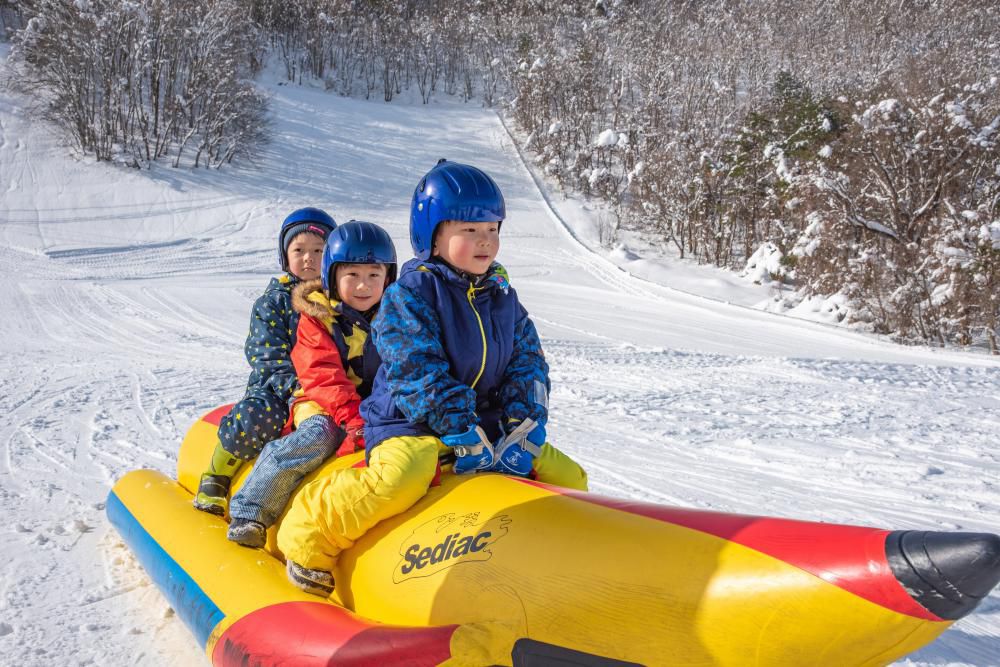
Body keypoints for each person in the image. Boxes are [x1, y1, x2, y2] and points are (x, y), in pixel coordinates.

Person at [277, 160, 587, 596]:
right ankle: (310, 531)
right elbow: (414, 368)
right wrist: (457, 426)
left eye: (493, 230)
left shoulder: (503, 297)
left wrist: (524, 426)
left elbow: (529, 364)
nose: (486, 242)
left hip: (485, 423)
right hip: (412, 420)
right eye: (470, 231)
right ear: (433, 236)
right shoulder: (411, 294)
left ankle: (568, 565)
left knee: (568, 476)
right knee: (401, 476)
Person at [226, 221, 397, 548]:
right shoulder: (319, 316)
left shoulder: (393, 317)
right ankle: (252, 508)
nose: (363, 286)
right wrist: (351, 416)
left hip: (367, 405)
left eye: (374, 275)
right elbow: (321, 372)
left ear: (388, 277)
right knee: (319, 435)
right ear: (333, 276)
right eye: (352, 276)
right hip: (321, 401)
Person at [192, 207, 336, 516]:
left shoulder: (340, 299)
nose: (309, 258)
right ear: (285, 256)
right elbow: (266, 356)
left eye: (318, 250)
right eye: (299, 250)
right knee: (257, 415)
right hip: (279, 389)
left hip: (328, 387)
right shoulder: (273, 302)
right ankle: (217, 474)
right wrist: (296, 386)